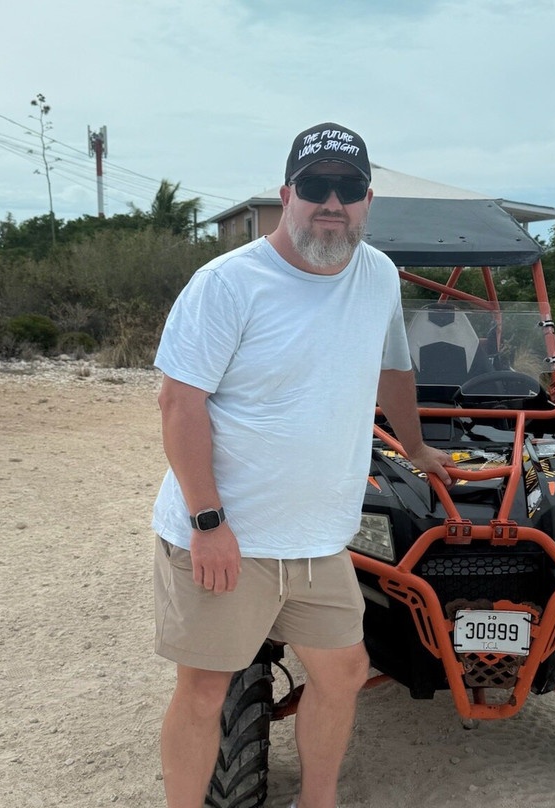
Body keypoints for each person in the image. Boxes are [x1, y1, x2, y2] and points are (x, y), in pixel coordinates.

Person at [152, 122, 454, 808]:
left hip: (320, 541)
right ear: (287, 195)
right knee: (204, 689)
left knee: (343, 672)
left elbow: (393, 367)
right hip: (227, 534)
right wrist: (207, 522)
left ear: (368, 200)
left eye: (348, 189)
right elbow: (178, 404)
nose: (331, 203)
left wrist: (414, 447)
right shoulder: (228, 283)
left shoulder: (378, 275)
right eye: (316, 186)